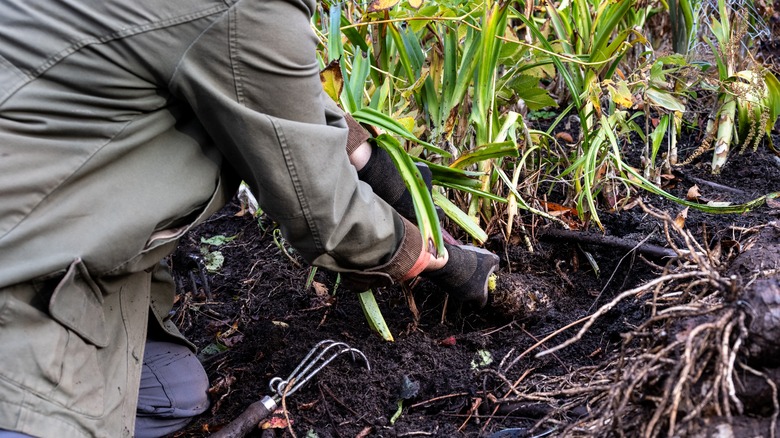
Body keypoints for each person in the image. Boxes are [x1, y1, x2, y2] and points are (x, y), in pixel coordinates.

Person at [0, 0, 499, 437]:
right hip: (17, 277)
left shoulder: (229, 19)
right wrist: (439, 261)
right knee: (48, 409)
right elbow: (326, 216)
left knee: (172, 389)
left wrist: (368, 159)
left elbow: (250, 71)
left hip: (32, 220)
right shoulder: (245, 8)